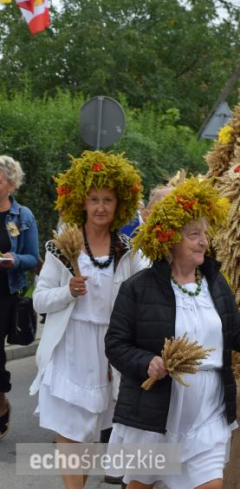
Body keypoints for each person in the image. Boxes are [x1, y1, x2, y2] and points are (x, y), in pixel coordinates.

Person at [105, 177, 240, 489]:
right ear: (171, 239)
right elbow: (115, 344)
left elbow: (239, 335)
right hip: (156, 414)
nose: (203, 241)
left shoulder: (216, 285)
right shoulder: (138, 287)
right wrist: (147, 362)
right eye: (193, 235)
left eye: (205, 234)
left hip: (208, 413)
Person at [32, 151, 147, 489]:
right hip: (68, 345)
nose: (100, 207)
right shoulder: (62, 247)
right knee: (68, 426)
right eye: (94, 199)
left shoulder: (127, 249)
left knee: (89, 430)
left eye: (107, 200)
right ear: (81, 203)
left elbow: (141, 295)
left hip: (107, 349)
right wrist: (67, 290)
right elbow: (40, 298)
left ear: (119, 204)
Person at [0, 155, 39, 439]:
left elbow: (33, 257)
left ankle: (1, 400)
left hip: (6, 294)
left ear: (11, 184)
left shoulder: (22, 216)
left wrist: (13, 259)